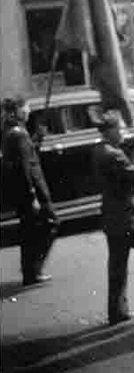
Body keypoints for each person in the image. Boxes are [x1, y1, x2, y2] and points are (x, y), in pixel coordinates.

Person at [92, 112, 134, 325]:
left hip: (112, 215)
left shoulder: (98, 150)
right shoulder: (114, 154)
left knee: (117, 265)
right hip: (128, 216)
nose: (124, 132)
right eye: (120, 128)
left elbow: (122, 178)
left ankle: (117, 310)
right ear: (110, 130)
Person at [1, 96, 58, 286]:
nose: (28, 111)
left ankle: (30, 271)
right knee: (50, 223)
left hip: (22, 191)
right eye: (25, 108)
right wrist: (33, 194)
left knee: (29, 231)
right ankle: (34, 268)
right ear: (17, 110)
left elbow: (28, 153)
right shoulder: (18, 133)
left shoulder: (11, 130)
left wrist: (38, 137)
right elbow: (25, 166)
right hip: (32, 191)